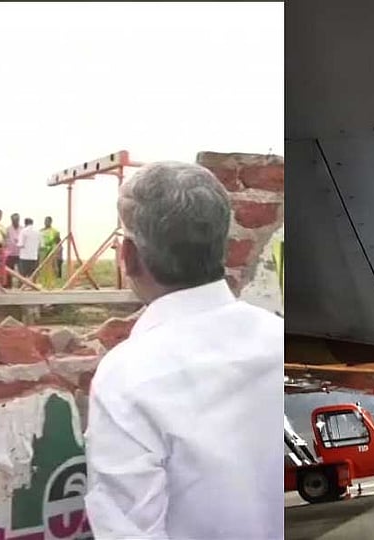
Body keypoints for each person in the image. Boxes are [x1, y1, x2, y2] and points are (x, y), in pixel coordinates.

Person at [85, 162, 282, 539]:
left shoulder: (127, 377)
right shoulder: (278, 338)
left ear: (128, 255)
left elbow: (130, 531)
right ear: (221, 244)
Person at [37, 216, 61, 289]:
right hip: (42, 252)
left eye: (48, 221)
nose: (46, 222)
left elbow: (59, 242)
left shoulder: (55, 231)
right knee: (42, 269)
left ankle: (51, 285)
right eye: (45, 221)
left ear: (51, 222)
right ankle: (43, 284)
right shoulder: (40, 231)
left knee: (51, 269)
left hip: (51, 252)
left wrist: (57, 252)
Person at [4, 213, 22, 287]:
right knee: (9, 271)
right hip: (10, 253)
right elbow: (4, 239)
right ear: (11, 220)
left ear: (18, 220)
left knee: (20, 272)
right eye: (13, 219)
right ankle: (8, 286)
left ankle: (20, 286)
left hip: (19, 253)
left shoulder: (22, 229)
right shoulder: (7, 229)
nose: (15, 221)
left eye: (16, 219)